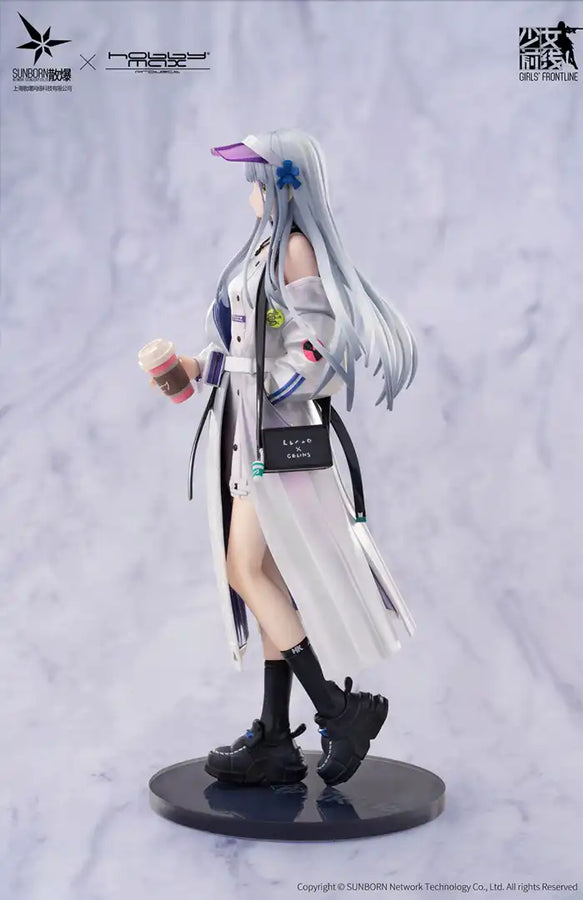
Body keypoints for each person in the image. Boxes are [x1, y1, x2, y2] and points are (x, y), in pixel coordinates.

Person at [171, 129, 418, 787]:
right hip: (247, 432)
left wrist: (259, 384)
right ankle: (277, 737)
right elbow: (249, 348)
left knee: (244, 568)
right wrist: (197, 366)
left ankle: (338, 710)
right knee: (268, 575)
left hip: (277, 440)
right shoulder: (262, 250)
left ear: (283, 185)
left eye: (257, 179)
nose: (249, 191)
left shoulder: (296, 249)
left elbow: (316, 351)